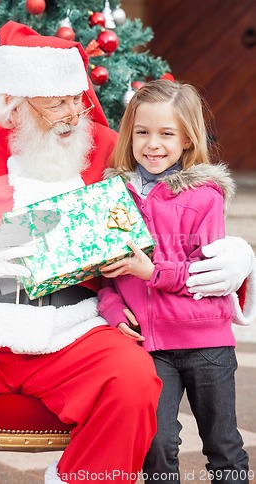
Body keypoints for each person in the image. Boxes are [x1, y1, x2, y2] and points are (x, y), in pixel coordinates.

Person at [0, 22, 253, 484]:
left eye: (76, 98)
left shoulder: (108, 149)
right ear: (14, 105)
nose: (74, 114)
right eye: (57, 103)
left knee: (134, 382)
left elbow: (181, 203)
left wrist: (239, 254)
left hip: (76, 328)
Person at [98, 79, 255, 483]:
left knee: (222, 445)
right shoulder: (113, 196)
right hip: (150, 345)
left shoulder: (204, 196)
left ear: (187, 139)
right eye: (143, 132)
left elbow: (208, 277)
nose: (153, 144)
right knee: (156, 445)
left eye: (167, 133)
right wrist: (114, 310)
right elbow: (105, 275)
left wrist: (150, 272)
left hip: (206, 342)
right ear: (129, 135)